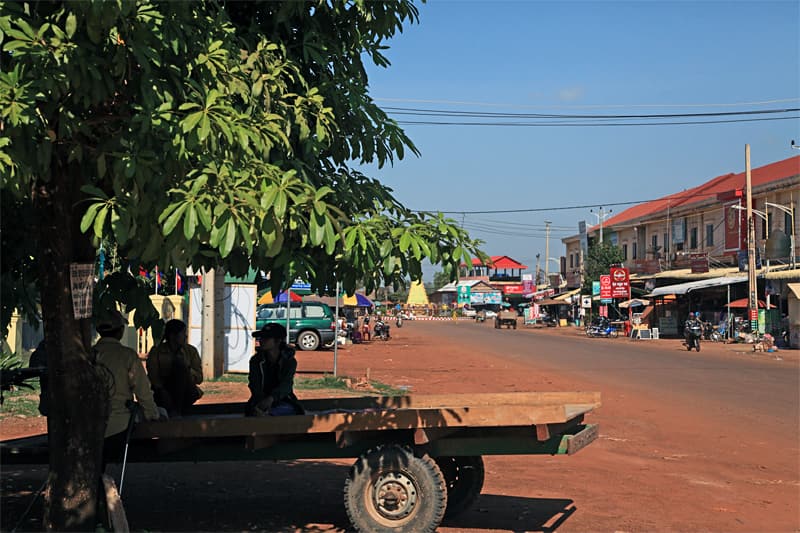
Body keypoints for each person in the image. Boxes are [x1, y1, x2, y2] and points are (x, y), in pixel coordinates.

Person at [94, 310, 164, 468]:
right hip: (119, 426)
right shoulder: (128, 356)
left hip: (89, 425)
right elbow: (143, 392)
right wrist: (153, 414)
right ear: (120, 331)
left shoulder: (88, 354)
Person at [146, 319, 203, 417]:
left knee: (180, 368)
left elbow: (199, 379)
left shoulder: (191, 351)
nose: (186, 336)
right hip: (163, 391)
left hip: (186, 391)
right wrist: (162, 391)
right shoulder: (157, 352)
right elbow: (153, 376)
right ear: (173, 336)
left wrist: (187, 368)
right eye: (183, 333)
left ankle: (177, 410)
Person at [245, 323, 304, 416]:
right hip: (259, 401)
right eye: (261, 338)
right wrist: (262, 402)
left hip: (284, 401)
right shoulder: (256, 360)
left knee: (286, 411)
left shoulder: (289, 361)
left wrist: (271, 399)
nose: (261, 341)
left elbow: (286, 385)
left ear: (278, 341)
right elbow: (254, 384)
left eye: (266, 338)